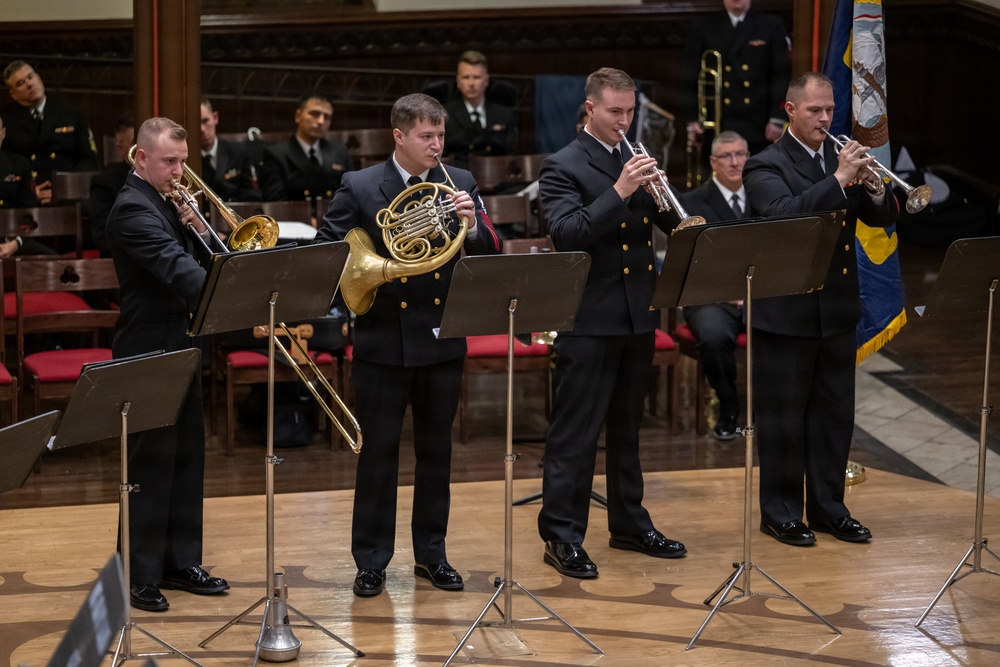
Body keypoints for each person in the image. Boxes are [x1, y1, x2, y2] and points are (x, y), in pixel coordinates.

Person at [315, 92, 502, 597]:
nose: (436, 145)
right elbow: (330, 254)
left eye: (440, 135)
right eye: (426, 136)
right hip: (382, 342)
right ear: (398, 136)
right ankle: (371, 560)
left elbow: (489, 245)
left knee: (436, 453)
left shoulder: (458, 182)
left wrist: (471, 223)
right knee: (378, 455)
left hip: (441, 336)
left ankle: (432, 555)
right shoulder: (359, 185)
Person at [536, 67, 686, 579]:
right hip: (588, 317)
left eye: (630, 111)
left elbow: (667, 224)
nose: (625, 121)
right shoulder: (562, 165)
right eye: (615, 112)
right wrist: (621, 189)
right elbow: (566, 233)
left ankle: (629, 523)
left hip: (637, 313)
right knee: (575, 433)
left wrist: (670, 203)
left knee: (627, 429)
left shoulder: (635, 159)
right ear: (590, 109)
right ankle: (561, 535)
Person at [742, 72, 898, 547]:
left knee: (834, 418)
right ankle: (781, 512)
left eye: (830, 110)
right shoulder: (763, 165)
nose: (826, 119)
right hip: (785, 314)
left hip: (836, 306)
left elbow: (883, 217)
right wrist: (841, 179)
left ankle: (830, 508)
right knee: (784, 420)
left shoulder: (840, 157)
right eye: (815, 110)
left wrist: (872, 187)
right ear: (791, 110)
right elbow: (787, 216)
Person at [106, 116, 229, 611]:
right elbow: (179, 272)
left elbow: (201, 256)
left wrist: (199, 226)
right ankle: (138, 573)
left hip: (180, 341)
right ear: (141, 158)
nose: (180, 172)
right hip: (146, 349)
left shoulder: (164, 201)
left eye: (183, 161)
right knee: (150, 463)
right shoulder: (132, 209)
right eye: (169, 162)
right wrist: (237, 301)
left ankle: (179, 561)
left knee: (186, 457)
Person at [678, 130, 751, 441]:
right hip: (711, 298)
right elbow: (687, 262)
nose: (735, 162)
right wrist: (725, 292)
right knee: (712, 336)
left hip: (758, 295)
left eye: (741, 154)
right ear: (712, 162)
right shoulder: (691, 203)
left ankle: (779, 410)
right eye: (727, 156)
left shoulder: (765, 196)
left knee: (790, 328)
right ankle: (729, 405)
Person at [682, 0, 790, 158]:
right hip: (718, 123)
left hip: (758, 123)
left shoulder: (771, 25)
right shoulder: (703, 27)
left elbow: (781, 75)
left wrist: (777, 119)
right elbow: (690, 77)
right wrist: (692, 121)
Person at [1, 60, 99, 205]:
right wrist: (27, 191)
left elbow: (89, 160)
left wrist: (63, 188)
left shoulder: (70, 114)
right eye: (20, 83)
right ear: (13, 94)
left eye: (30, 77)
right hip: (22, 200)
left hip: (66, 195)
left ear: (39, 78)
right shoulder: (5, 119)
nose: (29, 84)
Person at [258, 93, 350, 201]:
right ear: (298, 116)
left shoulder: (340, 152)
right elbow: (275, 203)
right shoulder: (276, 155)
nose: (321, 121)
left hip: (331, 216)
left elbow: (348, 197)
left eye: (327, 117)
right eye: (315, 114)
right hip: (293, 216)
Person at [443, 51, 517, 169]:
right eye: (466, 77)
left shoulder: (503, 114)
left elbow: (509, 153)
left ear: (486, 80)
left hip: (497, 177)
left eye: (476, 77)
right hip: (459, 178)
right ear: (458, 81)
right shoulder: (445, 114)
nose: (471, 83)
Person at [1, 113, 55, 258]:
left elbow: (30, 212)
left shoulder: (19, 165)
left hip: (13, 240)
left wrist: (16, 243)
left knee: (57, 264)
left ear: (3, 133)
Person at [199, 97, 260, 202]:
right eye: (197, 123)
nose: (202, 129)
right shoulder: (185, 158)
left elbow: (251, 196)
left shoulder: (237, 152)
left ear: (215, 118)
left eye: (205, 121)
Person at [89, 114, 134, 257]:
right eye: (136, 143)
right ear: (120, 147)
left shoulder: (161, 179)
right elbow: (102, 238)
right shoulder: (104, 183)